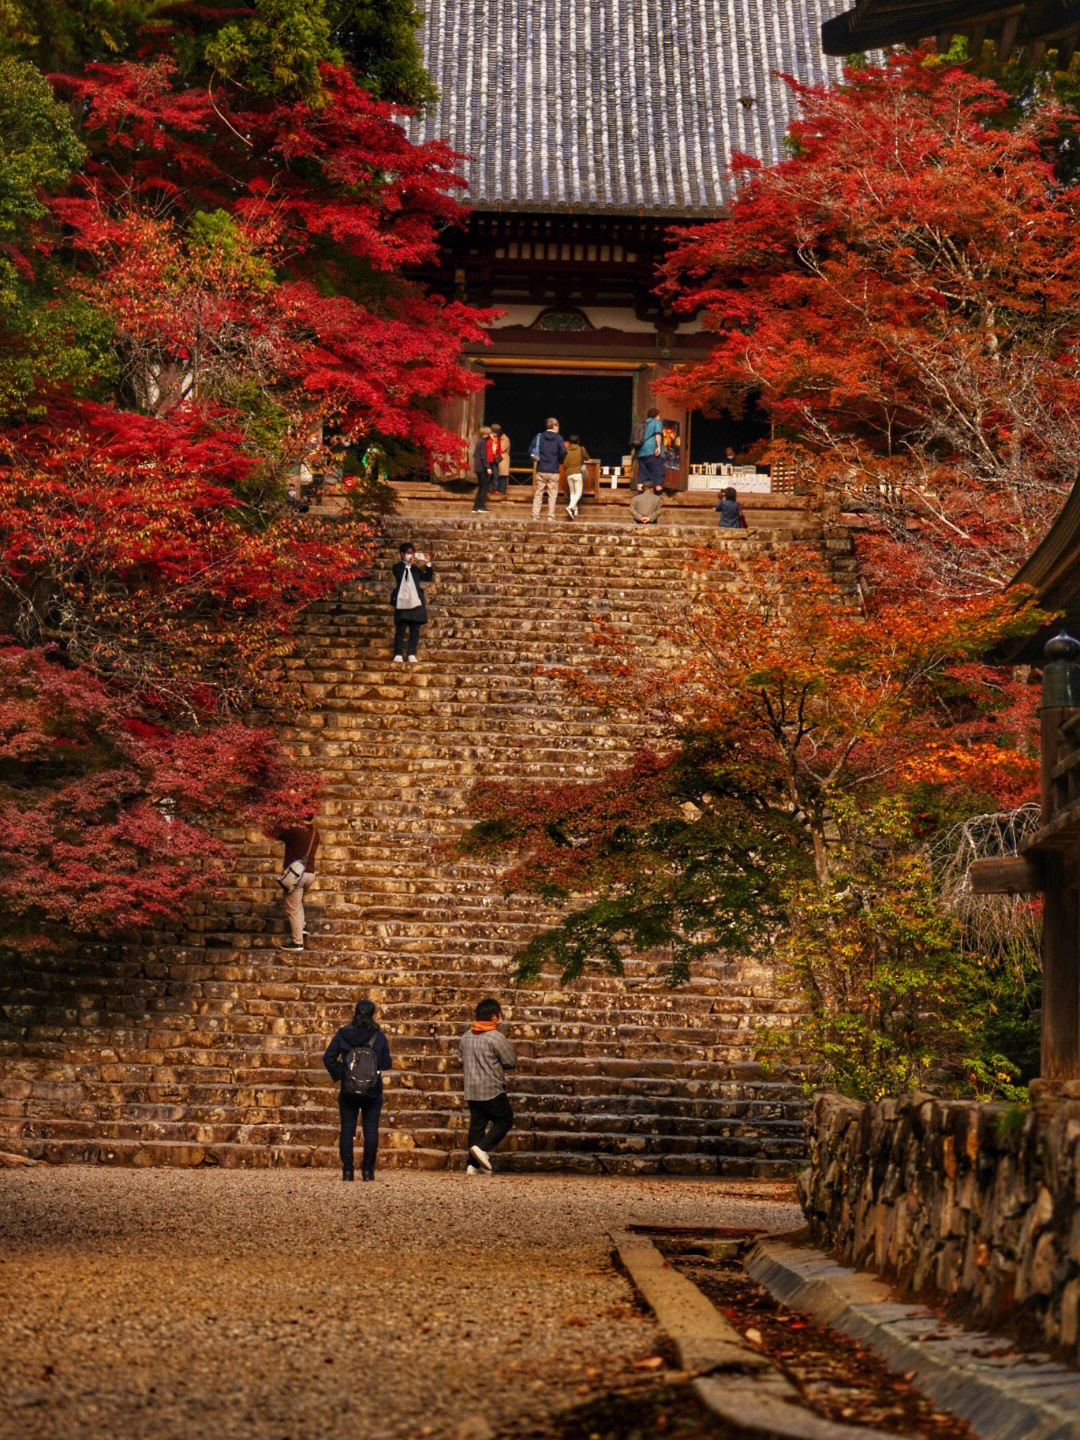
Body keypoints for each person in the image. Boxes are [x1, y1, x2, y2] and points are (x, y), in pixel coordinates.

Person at [323, 999, 393, 1182]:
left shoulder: (343, 1034)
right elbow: (387, 1063)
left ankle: (347, 1171)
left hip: (348, 1090)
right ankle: (368, 1171)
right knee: (371, 1130)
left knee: (347, 1129)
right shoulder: (379, 1037)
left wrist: (343, 1073)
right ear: (372, 1014)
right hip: (372, 1090)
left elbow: (328, 1058)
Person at [459, 997, 516, 1174]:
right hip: (491, 1088)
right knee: (505, 1119)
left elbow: (460, 1059)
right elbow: (510, 1061)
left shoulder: (465, 1037)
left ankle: (473, 1165)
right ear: (493, 1017)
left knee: (477, 1125)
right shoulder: (496, 1037)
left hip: (472, 1089)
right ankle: (481, 1149)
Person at [279, 808, 320, 950]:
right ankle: (302, 927)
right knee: (298, 902)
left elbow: (278, 832)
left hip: (296, 875)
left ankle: (297, 942)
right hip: (310, 874)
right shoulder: (316, 833)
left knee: (292, 909)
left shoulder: (295, 831)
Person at [390, 540, 434, 663]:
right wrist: (408, 565)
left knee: (415, 629)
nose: (411, 555)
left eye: (412, 553)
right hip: (403, 600)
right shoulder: (398, 567)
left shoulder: (415, 569)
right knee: (401, 628)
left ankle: (411, 653)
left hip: (416, 600)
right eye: (408, 553)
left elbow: (427, 577)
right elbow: (401, 576)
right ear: (402, 554)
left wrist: (428, 564)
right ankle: (398, 653)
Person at [530, 417, 567, 522]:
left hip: (541, 469)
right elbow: (563, 451)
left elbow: (531, 450)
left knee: (538, 493)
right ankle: (550, 516)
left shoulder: (539, 437)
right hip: (553, 470)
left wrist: (537, 458)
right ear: (554, 426)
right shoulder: (559, 438)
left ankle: (535, 516)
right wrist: (559, 460)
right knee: (552, 494)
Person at [636, 407, 665, 490]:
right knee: (658, 474)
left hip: (640, 453)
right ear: (656, 416)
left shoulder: (643, 424)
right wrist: (658, 447)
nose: (659, 417)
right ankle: (658, 497)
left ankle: (640, 495)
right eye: (658, 415)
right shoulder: (657, 423)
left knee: (642, 474)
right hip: (652, 452)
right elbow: (658, 435)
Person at [563, 434, 591, 520]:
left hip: (569, 474)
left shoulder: (566, 451)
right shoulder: (581, 449)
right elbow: (587, 458)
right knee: (578, 493)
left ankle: (575, 510)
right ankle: (570, 507)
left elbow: (564, 464)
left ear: (570, 442)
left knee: (572, 493)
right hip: (577, 474)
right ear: (578, 441)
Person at [472, 426, 493, 513]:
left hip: (478, 467)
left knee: (481, 487)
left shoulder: (479, 441)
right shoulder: (482, 442)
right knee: (484, 486)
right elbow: (483, 457)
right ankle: (481, 506)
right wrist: (488, 467)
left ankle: (476, 507)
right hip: (481, 467)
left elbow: (475, 455)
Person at [490, 423, 510, 498]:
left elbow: (501, 449)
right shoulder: (493, 438)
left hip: (502, 460)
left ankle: (502, 491)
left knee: (502, 475)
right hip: (495, 460)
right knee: (495, 476)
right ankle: (494, 490)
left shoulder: (505, 438)